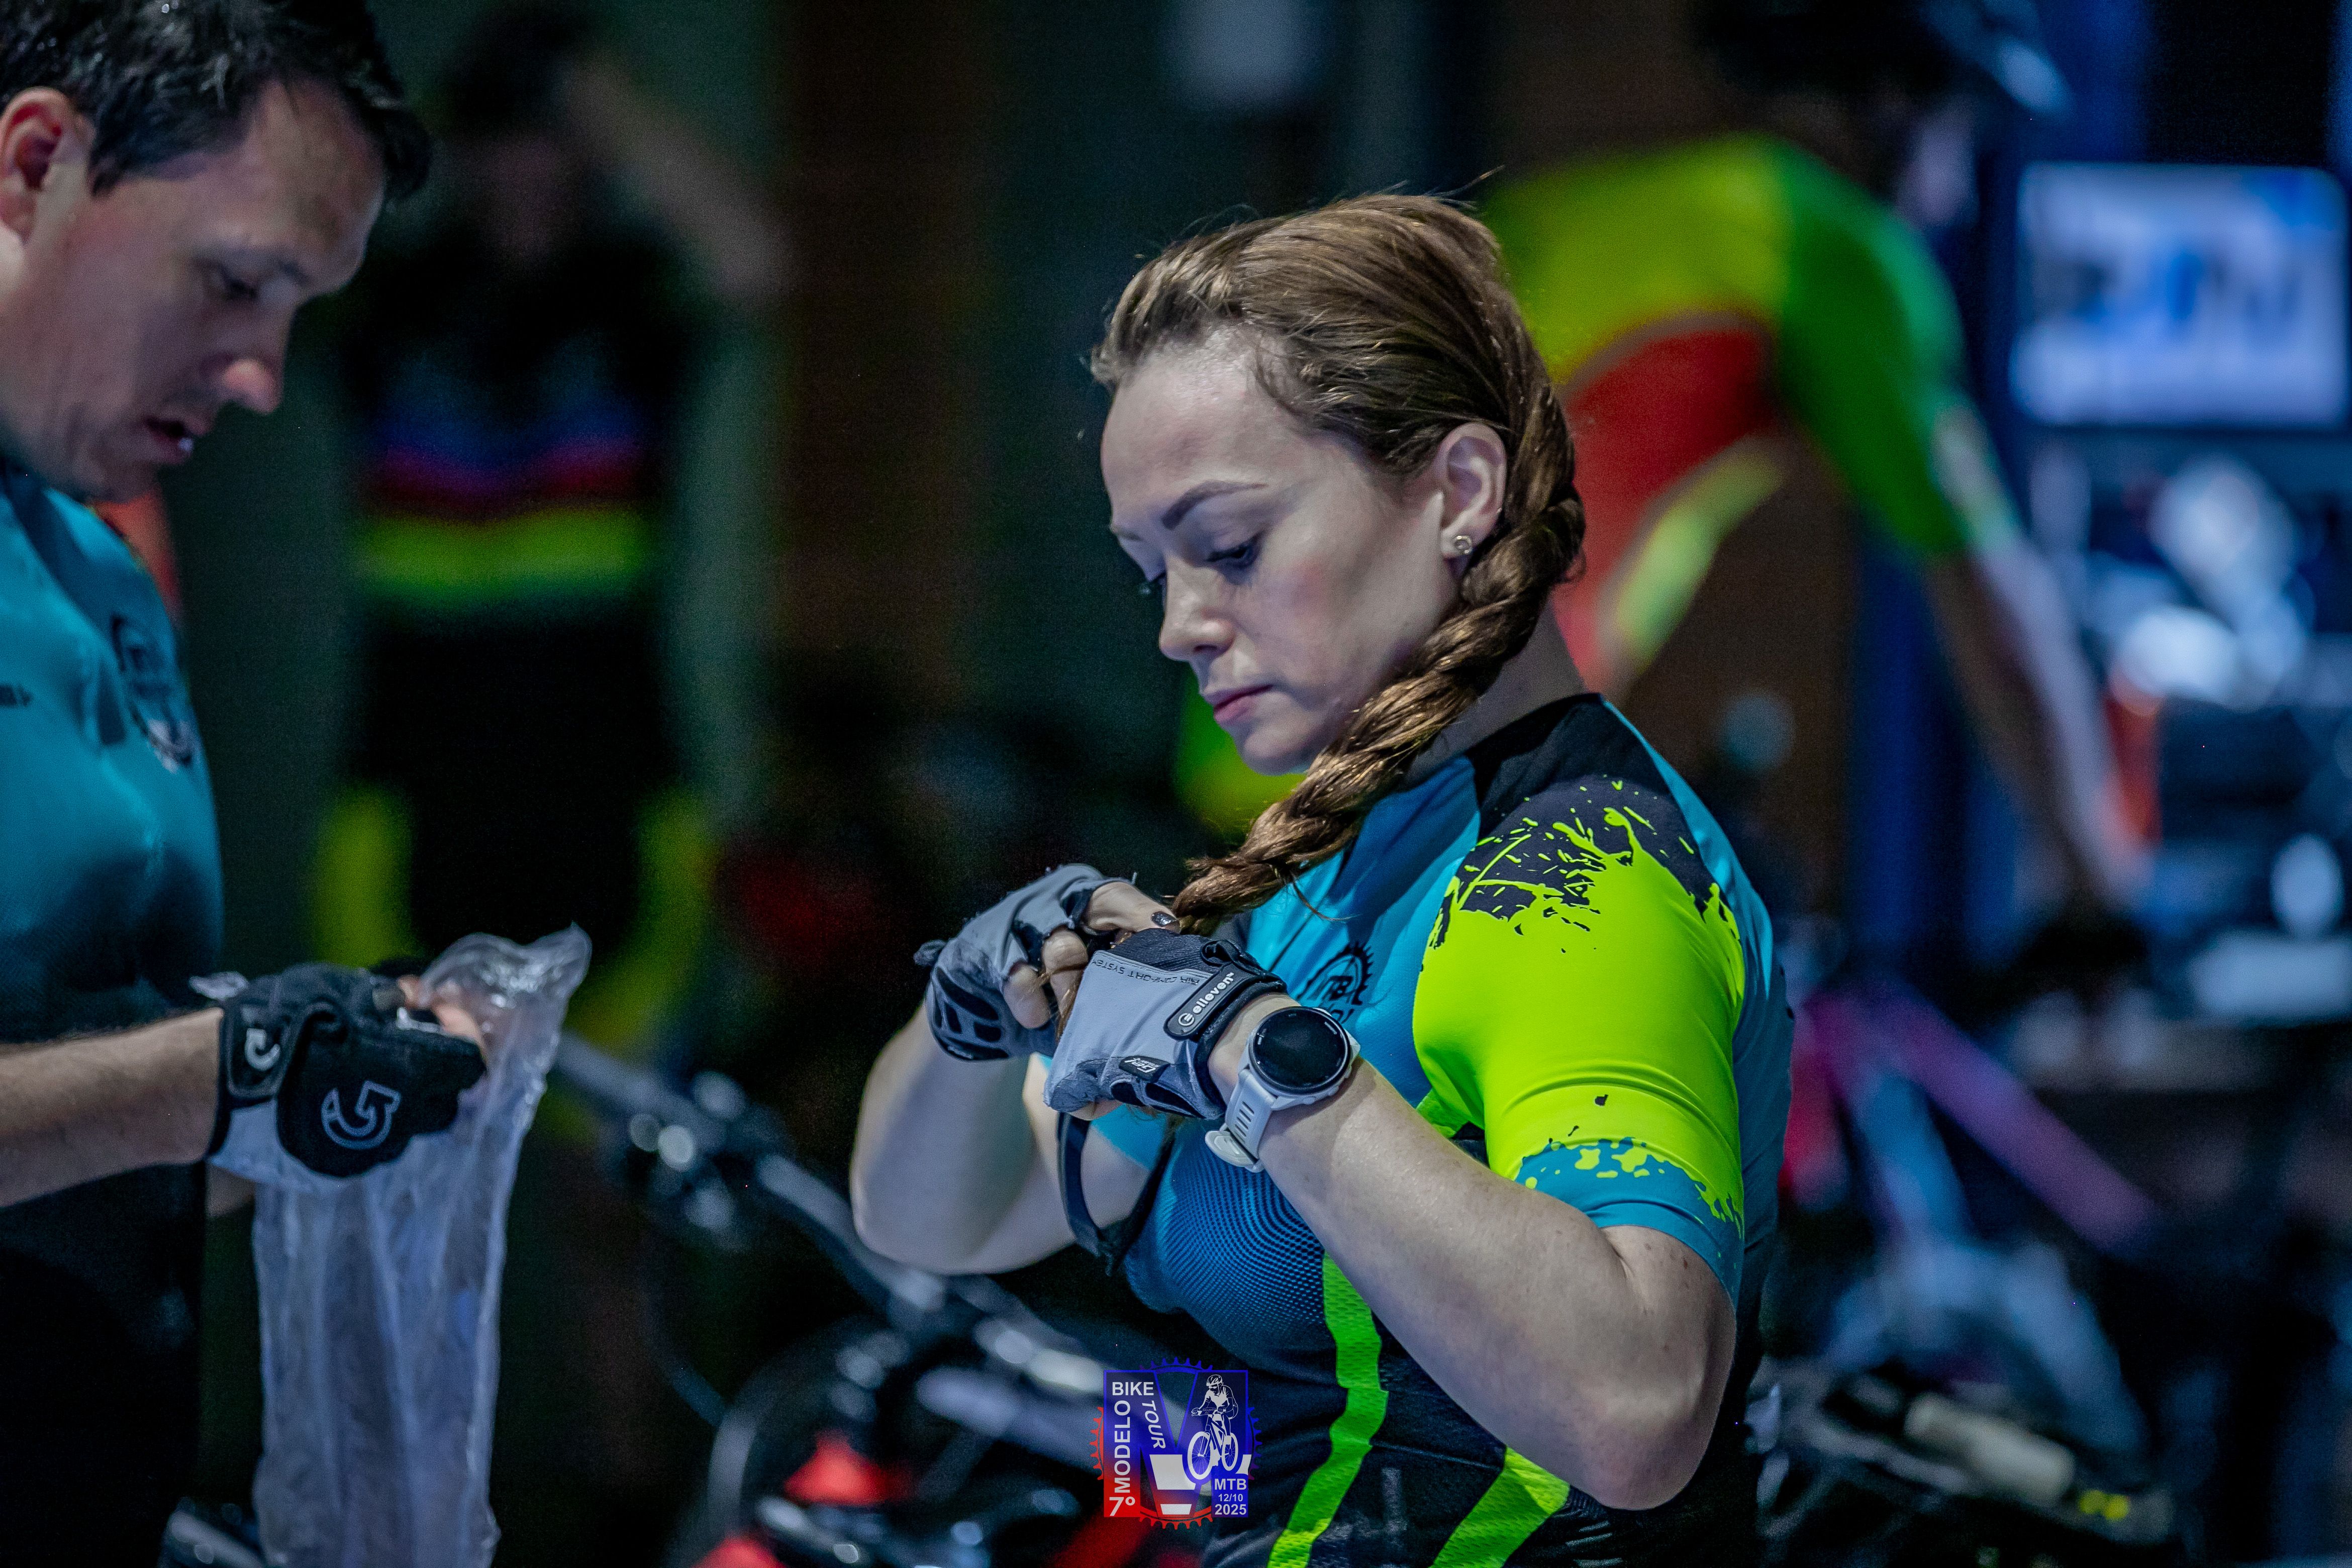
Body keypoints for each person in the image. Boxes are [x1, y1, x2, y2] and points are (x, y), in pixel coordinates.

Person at [854, 197, 1791, 1565]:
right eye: (1153, 572)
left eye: (1231, 547)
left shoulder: (1577, 883)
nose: (1181, 626)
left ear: (1458, 493)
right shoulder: (1322, 860)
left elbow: (1638, 1413)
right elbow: (940, 1220)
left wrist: (1257, 1055)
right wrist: (971, 1016)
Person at [1176, 0, 2141, 946]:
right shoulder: (1828, 248)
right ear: (1888, 99)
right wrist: (2098, 886)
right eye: (1956, 134)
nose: (1957, 192)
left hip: (1255, 771)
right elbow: (1993, 606)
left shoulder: (1615, 209)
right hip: (1398, 805)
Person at [0, 6, 487, 1561]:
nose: (265, 377)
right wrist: (229, 1071)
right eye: (232, 282)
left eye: (299, 311)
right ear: (35, 165)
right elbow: (167, 1082)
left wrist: (331, 1086)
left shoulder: (104, 570)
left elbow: (104, 1137)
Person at [319, 3, 787, 1053]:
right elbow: (290, 216)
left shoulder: (630, 301)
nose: (528, 165)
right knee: (397, 1118)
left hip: (620, 798)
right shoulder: (389, 304)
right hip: (406, 804)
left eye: (551, 137)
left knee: (619, 1139)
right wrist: (427, 120)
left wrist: (599, 95)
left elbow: (756, 260)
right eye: (504, 136)